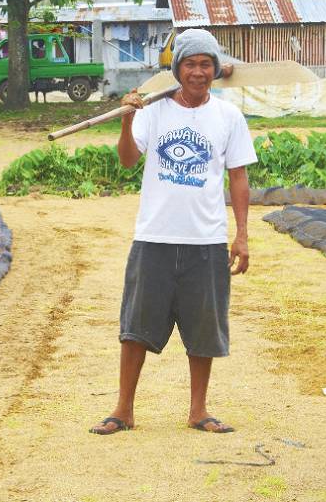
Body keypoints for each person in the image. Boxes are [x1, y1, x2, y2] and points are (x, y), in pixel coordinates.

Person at [90, 29, 257, 436]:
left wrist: (242, 235)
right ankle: (123, 410)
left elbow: (239, 178)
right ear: (177, 68)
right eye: (190, 64)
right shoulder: (154, 109)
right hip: (154, 238)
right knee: (135, 328)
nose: (198, 72)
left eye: (205, 64)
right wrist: (128, 120)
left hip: (207, 240)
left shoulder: (228, 116)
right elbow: (128, 161)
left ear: (215, 70)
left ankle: (198, 411)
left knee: (203, 330)